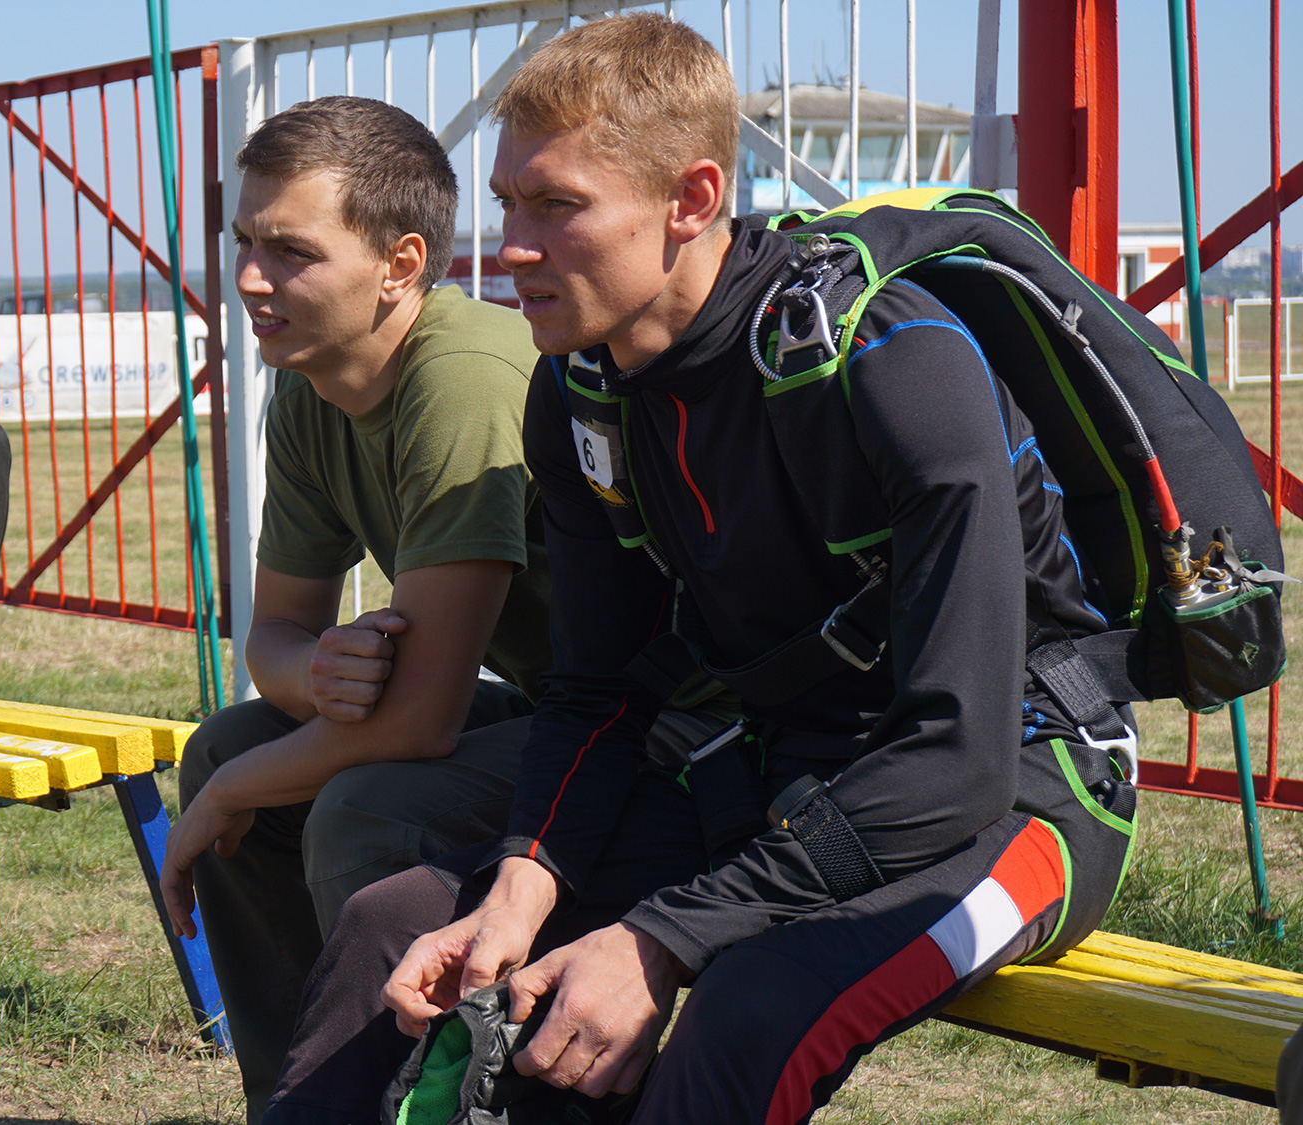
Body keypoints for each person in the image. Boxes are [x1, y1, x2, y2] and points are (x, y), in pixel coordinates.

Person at [261, 15, 1135, 1125]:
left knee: (747, 1007)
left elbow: (955, 758)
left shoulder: (893, 364)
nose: (511, 248)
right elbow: (597, 690)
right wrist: (523, 885)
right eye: (507, 203)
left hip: (1016, 799)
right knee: (399, 924)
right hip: (774, 774)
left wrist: (660, 937)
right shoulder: (580, 387)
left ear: (690, 199)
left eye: (556, 205)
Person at [158, 95, 730, 1122]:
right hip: (565, 712)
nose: (248, 277)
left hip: (667, 734)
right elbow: (275, 637)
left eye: (290, 251)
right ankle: (298, 1100)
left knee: (365, 807)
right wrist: (312, 674)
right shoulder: (311, 384)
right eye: (243, 241)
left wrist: (231, 790)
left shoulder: (460, 375)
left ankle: (421, 1101)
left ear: (400, 264)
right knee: (228, 743)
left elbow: (417, 721)